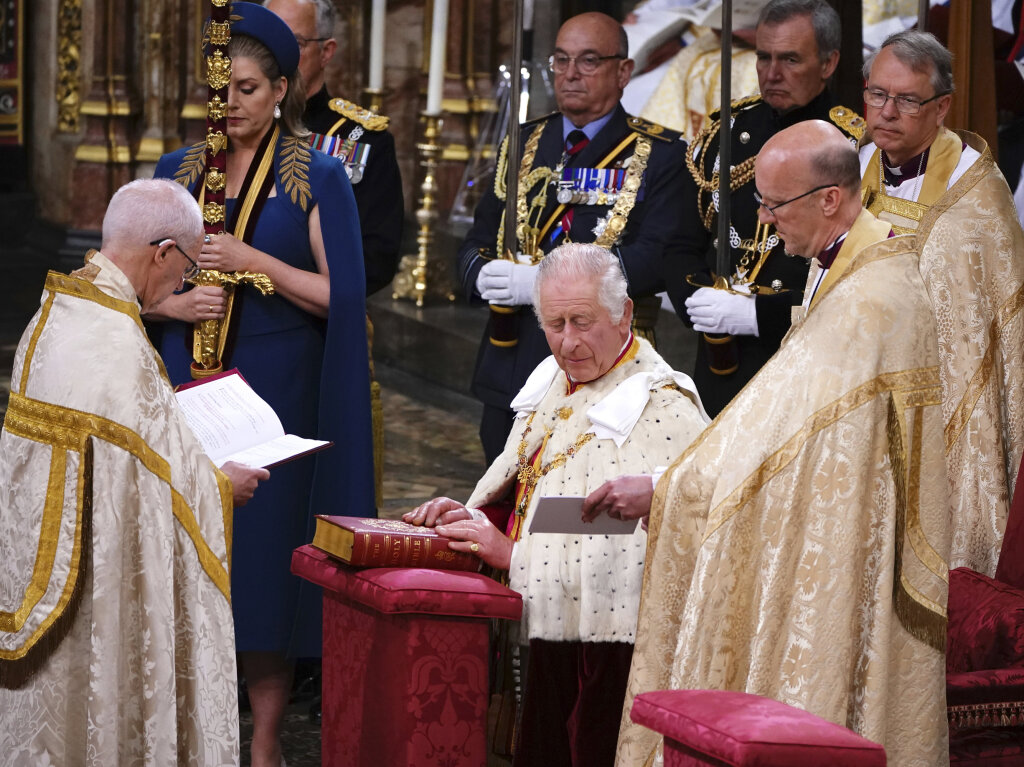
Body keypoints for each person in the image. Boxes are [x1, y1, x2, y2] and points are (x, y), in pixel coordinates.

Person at [609, 121, 971, 767]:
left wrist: (672, 489)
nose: (765, 221)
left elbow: (794, 441)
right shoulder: (841, 262)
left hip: (844, 544)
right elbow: (777, 415)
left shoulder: (875, 299)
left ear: (830, 198)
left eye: (775, 205)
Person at [146, 5, 375, 765]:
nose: (231, 104)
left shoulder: (319, 173)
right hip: (186, 380)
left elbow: (341, 295)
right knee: (187, 551)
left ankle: (267, 739)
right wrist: (174, 303)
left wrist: (256, 262)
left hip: (275, 393)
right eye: (221, 89)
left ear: (282, 88)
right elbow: (138, 283)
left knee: (261, 568)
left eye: (247, 88)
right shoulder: (177, 171)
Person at [406, 243, 708, 767]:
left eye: (582, 321)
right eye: (554, 324)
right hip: (545, 632)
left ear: (625, 315)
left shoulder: (662, 406)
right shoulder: (552, 378)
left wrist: (511, 555)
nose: (567, 343)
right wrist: (471, 515)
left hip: (607, 655)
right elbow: (531, 488)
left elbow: (628, 556)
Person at [0, 178, 268, 766]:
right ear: (164, 251)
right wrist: (223, 486)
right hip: (91, 602)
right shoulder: (116, 346)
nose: (184, 283)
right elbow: (159, 486)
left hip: (41, 583)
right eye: (188, 267)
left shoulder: (58, 316)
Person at [458, 11, 699, 465]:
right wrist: (484, 272)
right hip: (512, 352)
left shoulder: (660, 154)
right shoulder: (524, 140)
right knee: (502, 493)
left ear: (623, 71)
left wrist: (543, 285)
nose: (570, 74)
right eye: (561, 60)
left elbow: (657, 256)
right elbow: (477, 238)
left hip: (602, 358)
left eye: (588, 61)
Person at [860, 29, 1024, 577]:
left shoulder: (974, 193)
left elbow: (975, 324)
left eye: (907, 100)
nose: (887, 112)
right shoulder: (853, 166)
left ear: (942, 107)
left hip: (934, 393)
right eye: (877, 94)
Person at [667, 0, 865, 417]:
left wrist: (759, 314)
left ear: (828, 64)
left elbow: (855, 279)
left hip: (804, 363)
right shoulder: (725, 134)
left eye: (790, 59)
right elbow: (680, 243)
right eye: (764, 57)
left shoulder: (853, 149)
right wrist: (700, 301)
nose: (772, 74)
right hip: (722, 363)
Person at [264, 0, 404, 296]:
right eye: (269, 42)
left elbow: (376, 259)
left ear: (326, 51)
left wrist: (278, 276)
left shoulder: (364, 139)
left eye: (295, 43)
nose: (278, 57)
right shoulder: (239, 127)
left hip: (322, 320)